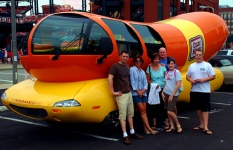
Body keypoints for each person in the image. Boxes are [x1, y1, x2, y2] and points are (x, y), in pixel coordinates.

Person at [108, 50, 143, 145]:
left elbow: (128, 80)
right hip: (121, 95)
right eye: (123, 56)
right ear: (120, 56)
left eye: (127, 57)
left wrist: (131, 89)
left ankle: (132, 131)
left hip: (128, 93)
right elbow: (110, 78)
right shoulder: (115, 66)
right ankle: (125, 135)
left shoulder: (127, 67)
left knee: (130, 114)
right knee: (122, 115)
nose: (125, 58)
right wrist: (113, 92)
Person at [186, 50, 215, 135]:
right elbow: (188, 76)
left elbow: (213, 76)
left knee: (205, 109)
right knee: (197, 108)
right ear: (195, 56)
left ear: (202, 56)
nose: (198, 56)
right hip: (194, 90)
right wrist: (191, 80)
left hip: (204, 91)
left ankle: (206, 127)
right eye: (196, 55)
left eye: (199, 55)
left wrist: (203, 80)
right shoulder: (191, 66)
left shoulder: (207, 65)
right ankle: (201, 124)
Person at [130, 55, 158, 135]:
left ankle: (145, 129)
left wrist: (143, 91)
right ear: (134, 62)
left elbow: (146, 82)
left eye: (139, 61)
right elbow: (132, 82)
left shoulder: (142, 71)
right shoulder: (132, 69)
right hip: (136, 93)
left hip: (144, 93)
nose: (138, 62)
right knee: (142, 110)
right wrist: (138, 91)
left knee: (144, 111)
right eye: (136, 61)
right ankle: (150, 129)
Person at [146, 53, 167, 131]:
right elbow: (148, 79)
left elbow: (166, 78)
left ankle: (165, 122)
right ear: (152, 60)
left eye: (158, 59)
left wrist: (164, 88)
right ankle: (154, 123)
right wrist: (153, 85)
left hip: (162, 89)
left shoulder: (163, 68)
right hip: (154, 90)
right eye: (155, 59)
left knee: (163, 105)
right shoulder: (149, 67)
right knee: (153, 106)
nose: (157, 60)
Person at [162, 58, 183, 133]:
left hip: (173, 94)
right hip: (166, 93)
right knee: (168, 111)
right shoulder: (167, 73)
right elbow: (166, 84)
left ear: (174, 64)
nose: (170, 65)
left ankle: (178, 125)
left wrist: (172, 94)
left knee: (169, 111)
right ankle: (172, 126)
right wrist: (162, 92)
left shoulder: (176, 72)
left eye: (172, 63)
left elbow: (178, 84)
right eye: (169, 64)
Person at [158, 47, 177, 130]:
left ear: (166, 52)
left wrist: (165, 67)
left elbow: (174, 71)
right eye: (161, 52)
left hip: (171, 86)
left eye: (163, 52)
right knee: (165, 105)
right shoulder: (157, 61)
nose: (162, 54)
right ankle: (167, 121)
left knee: (172, 105)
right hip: (163, 86)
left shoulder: (170, 60)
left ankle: (174, 119)